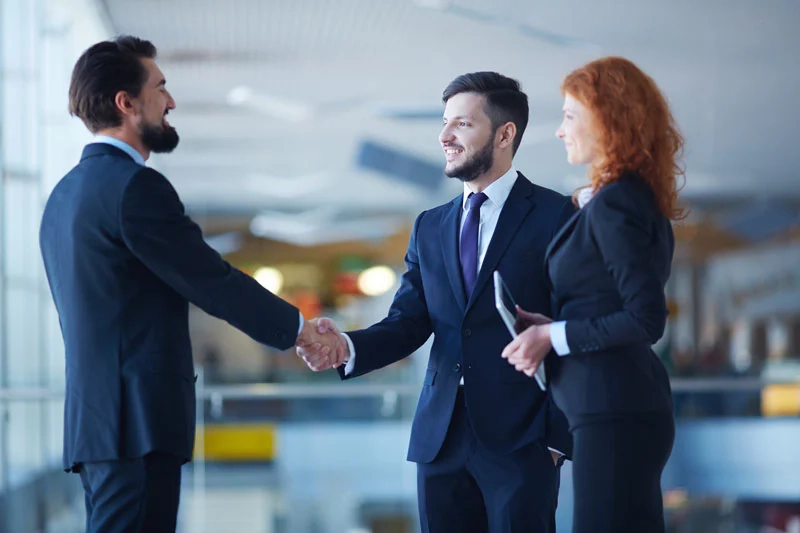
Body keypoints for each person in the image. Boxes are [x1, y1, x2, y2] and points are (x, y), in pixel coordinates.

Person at [39, 36, 330, 533]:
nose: (171, 102)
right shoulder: (135, 188)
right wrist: (299, 330)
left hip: (99, 425)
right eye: (161, 88)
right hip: (138, 427)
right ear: (126, 103)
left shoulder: (61, 197)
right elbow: (210, 279)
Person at [298, 72, 575, 533]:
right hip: (439, 439)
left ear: (505, 134)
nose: (444, 136)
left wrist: (556, 439)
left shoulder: (556, 215)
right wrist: (347, 346)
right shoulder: (430, 226)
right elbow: (409, 321)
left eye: (462, 124)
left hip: (523, 440)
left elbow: (573, 324)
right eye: (445, 123)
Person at [501, 56, 684, 533]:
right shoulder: (620, 198)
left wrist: (553, 338)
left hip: (615, 407)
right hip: (614, 405)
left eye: (568, 116)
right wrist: (549, 326)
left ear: (606, 118)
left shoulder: (619, 201)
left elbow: (645, 319)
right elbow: (604, 301)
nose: (560, 131)